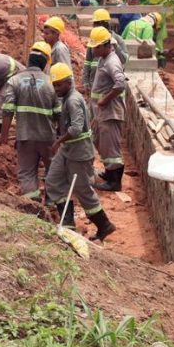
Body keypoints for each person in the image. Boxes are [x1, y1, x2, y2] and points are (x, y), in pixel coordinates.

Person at [44, 63, 116, 241]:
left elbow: (76, 128)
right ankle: (67, 224)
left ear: (69, 82)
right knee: (53, 180)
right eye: (54, 85)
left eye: (59, 85)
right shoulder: (67, 99)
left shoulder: (73, 100)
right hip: (67, 150)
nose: (56, 89)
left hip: (79, 153)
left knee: (83, 190)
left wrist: (58, 142)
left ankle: (104, 225)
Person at [0, 42, 60, 202]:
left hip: (25, 137)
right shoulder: (51, 83)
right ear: (45, 63)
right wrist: (60, 137)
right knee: (52, 170)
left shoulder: (15, 81)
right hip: (48, 138)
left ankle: (33, 208)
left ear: (29, 61)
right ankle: (52, 204)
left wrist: (4, 135)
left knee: (27, 173)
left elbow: (7, 110)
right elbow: (59, 114)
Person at [88, 27, 128, 192]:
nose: (93, 49)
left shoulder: (112, 61)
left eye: (96, 47)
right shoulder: (104, 58)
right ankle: (109, 173)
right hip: (103, 111)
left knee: (111, 147)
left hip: (110, 111)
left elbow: (120, 84)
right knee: (101, 142)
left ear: (106, 45)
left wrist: (104, 100)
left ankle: (114, 182)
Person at [83, 9, 129, 87]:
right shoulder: (94, 39)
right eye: (94, 24)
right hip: (94, 82)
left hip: (109, 83)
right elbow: (87, 62)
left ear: (104, 24)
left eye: (96, 24)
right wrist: (85, 81)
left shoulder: (117, 39)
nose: (94, 26)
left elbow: (124, 60)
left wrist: (116, 46)